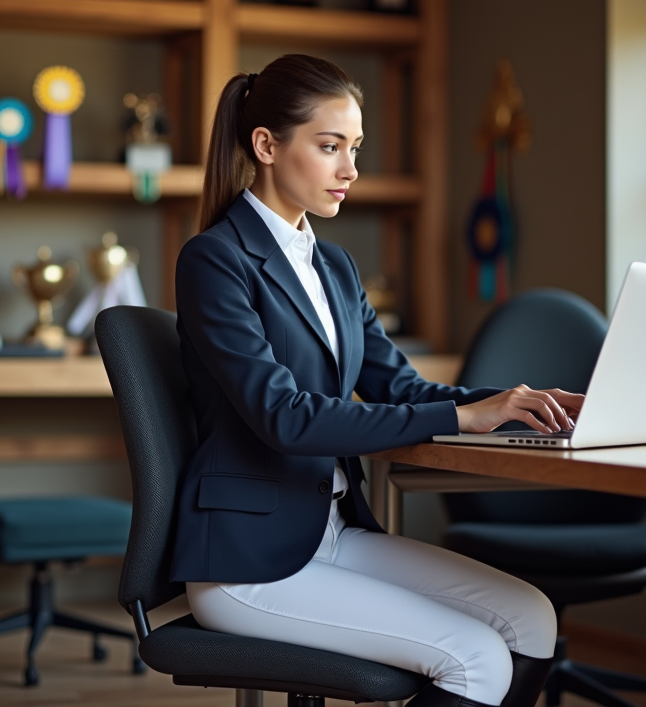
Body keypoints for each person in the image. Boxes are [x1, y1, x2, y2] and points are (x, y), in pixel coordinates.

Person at [172, 53, 583, 707]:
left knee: (532, 617)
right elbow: (285, 417)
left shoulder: (334, 267)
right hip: (246, 560)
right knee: (476, 658)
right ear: (266, 146)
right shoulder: (215, 260)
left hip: (332, 532)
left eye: (355, 148)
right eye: (329, 146)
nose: (350, 169)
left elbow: (402, 389)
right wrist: (460, 418)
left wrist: (511, 404)